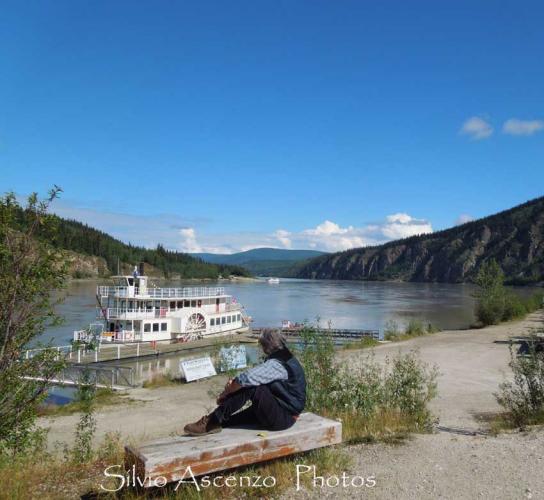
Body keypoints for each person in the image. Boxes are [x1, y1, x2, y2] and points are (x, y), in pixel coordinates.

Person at [182, 329, 306, 436]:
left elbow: (248, 378)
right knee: (228, 421)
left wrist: (227, 392)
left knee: (252, 386)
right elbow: (255, 376)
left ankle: (210, 422)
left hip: (283, 417)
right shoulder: (285, 358)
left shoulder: (277, 364)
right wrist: (232, 392)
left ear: (265, 347)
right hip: (281, 411)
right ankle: (215, 422)